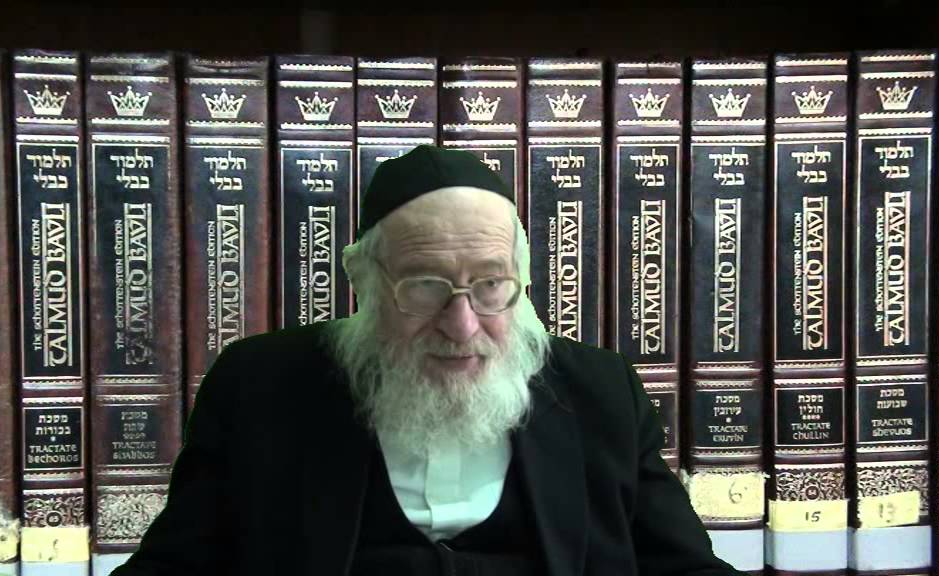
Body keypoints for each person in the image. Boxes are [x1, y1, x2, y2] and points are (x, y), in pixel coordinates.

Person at [111, 145, 742, 576]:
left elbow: (685, 567)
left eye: (490, 285)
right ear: (364, 281)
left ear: (521, 280)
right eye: (424, 286)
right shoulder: (259, 388)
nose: (462, 325)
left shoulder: (600, 392)